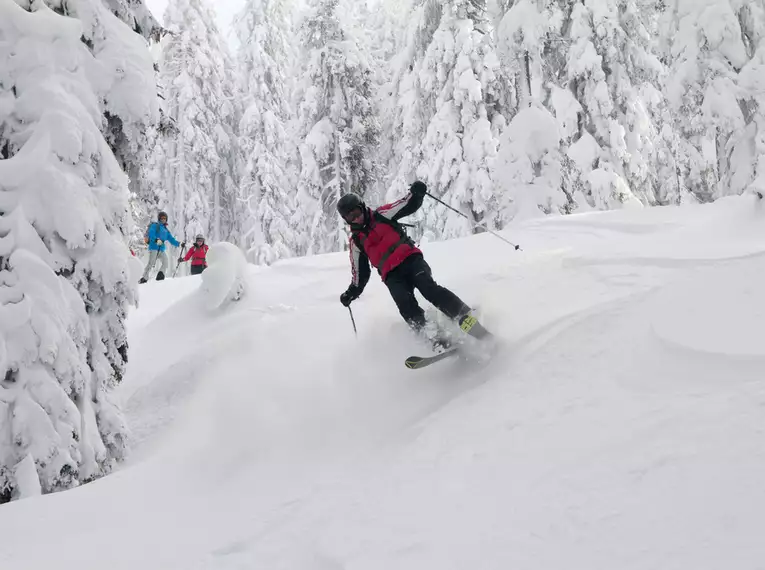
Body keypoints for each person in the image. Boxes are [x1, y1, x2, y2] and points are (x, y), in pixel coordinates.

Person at [337, 181, 485, 350]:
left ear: (362, 207)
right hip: (392, 276)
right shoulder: (356, 242)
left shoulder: (382, 215)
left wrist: (417, 193)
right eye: (351, 217)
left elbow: (406, 204)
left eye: (357, 212)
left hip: (411, 260)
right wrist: (351, 292)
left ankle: (463, 314)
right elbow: (360, 274)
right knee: (406, 306)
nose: (357, 218)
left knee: (429, 288)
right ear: (346, 219)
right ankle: (436, 338)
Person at [139, 211, 183, 283]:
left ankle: (160, 275)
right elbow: (151, 234)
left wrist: (179, 244)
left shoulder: (166, 230)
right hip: (154, 248)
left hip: (161, 249)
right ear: (159, 219)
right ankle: (144, 278)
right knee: (151, 263)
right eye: (162, 218)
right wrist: (157, 240)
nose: (163, 220)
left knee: (165, 262)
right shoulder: (155, 226)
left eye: (164, 218)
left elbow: (171, 240)